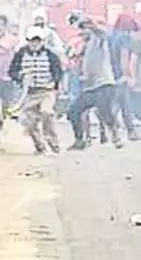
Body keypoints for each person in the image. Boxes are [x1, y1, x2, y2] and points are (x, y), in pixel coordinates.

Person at [66, 13, 123, 150]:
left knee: (104, 112)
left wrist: (90, 23)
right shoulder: (82, 45)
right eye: (80, 29)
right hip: (90, 87)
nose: (82, 31)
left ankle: (115, 136)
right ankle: (80, 140)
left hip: (103, 84)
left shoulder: (98, 39)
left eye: (84, 29)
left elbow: (103, 32)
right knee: (73, 112)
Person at [8, 26, 63, 154]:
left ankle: (53, 142)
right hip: (30, 93)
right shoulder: (21, 54)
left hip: (46, 91)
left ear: (42, 41)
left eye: (38, 40)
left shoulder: (50, 55)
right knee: (29, 121)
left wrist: (54, 83)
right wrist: (21, 76)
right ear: (28, 41)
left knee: (47, 113)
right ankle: (39, 146)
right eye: (32, 40)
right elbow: (12, 71)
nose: (35, 43)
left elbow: (58, 72)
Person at [109, 13, 141, 141]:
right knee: (121, 103)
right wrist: (128, 75)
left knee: (120, 102)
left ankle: (128, 131)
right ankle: (125, 133)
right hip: (120, 74)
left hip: (109, 72)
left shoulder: (111, 36)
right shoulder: (124, 38)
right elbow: (125, 57)